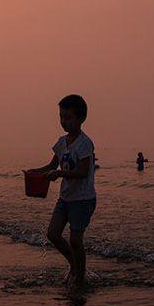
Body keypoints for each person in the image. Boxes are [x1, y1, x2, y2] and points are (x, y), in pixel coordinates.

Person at [27, 94, 96, 291]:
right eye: (61, 117)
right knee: (53, 234)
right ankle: (74, 265)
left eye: (68, 117)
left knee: (75, 239)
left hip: (83, 199)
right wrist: (35, 172)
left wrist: (60, 173)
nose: (63, 121)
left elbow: (83, 172)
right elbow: (51, 165)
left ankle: (80, 278)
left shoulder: (84, 143)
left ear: (80, 119)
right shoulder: (62, 142)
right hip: (65, 198)